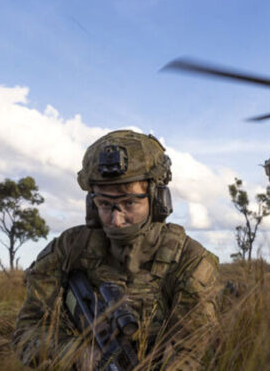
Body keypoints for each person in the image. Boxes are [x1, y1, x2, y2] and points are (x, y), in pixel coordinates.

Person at [12, 130, 219, 370]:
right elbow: (28, 328)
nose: (116, 219)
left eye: (129, 203)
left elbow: (192, 355)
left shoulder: (190, 261)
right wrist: (73, 354)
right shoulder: (71, 248)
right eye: (105, 204)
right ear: (91, 203)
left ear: (157, 200)